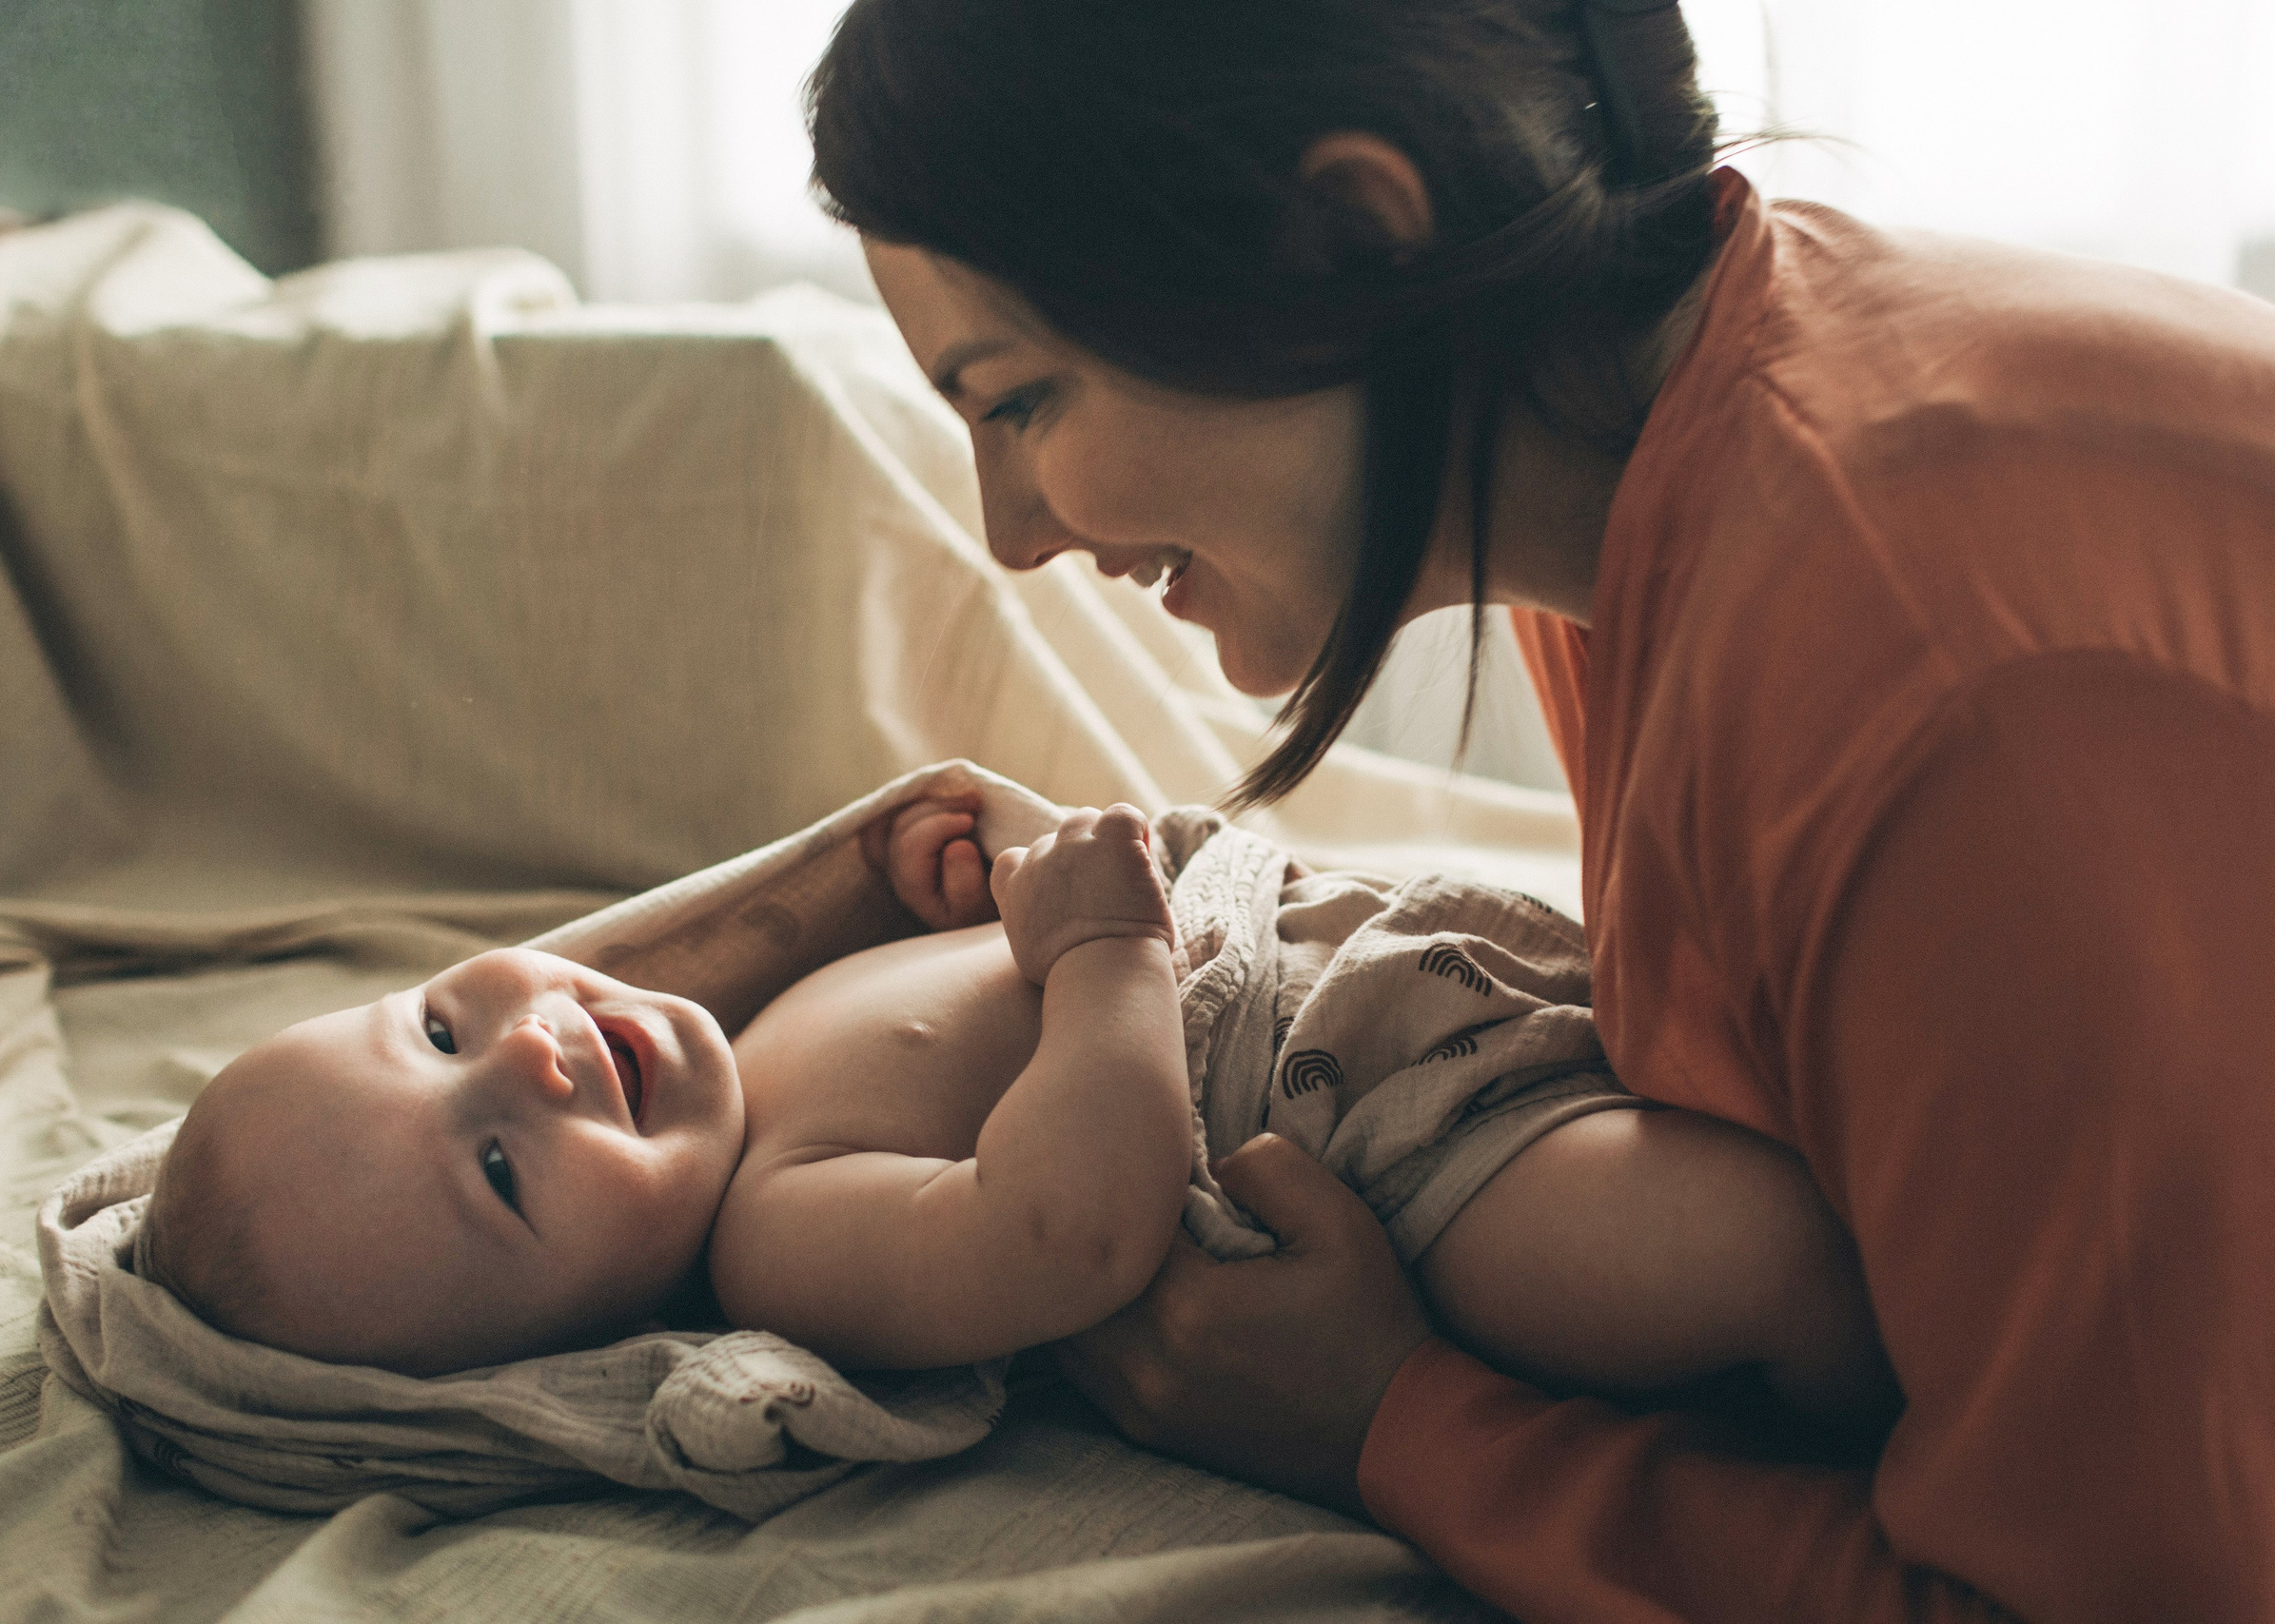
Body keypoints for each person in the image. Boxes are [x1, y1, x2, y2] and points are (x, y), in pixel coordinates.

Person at [808, 0, 2275, 1619]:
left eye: (1018, 402)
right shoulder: (1673, 457)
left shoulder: (1926, 680)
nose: (1011, 536)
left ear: (1349, 236)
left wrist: (1398, 1426)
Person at [140, 789, 1892, 1443]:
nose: (532, 1059)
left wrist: (961, 877)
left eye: (439, 1026)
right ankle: (1915, 1454)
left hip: (1380, 960)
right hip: (1396, 1152)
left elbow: (1016, 975)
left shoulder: (754, 1030)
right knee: (1784, 1255)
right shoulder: (781, 1239)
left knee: (1861, 1055)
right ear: (563, 1341)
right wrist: (1106, 952)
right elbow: (1070, 1225)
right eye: (502, 1173)